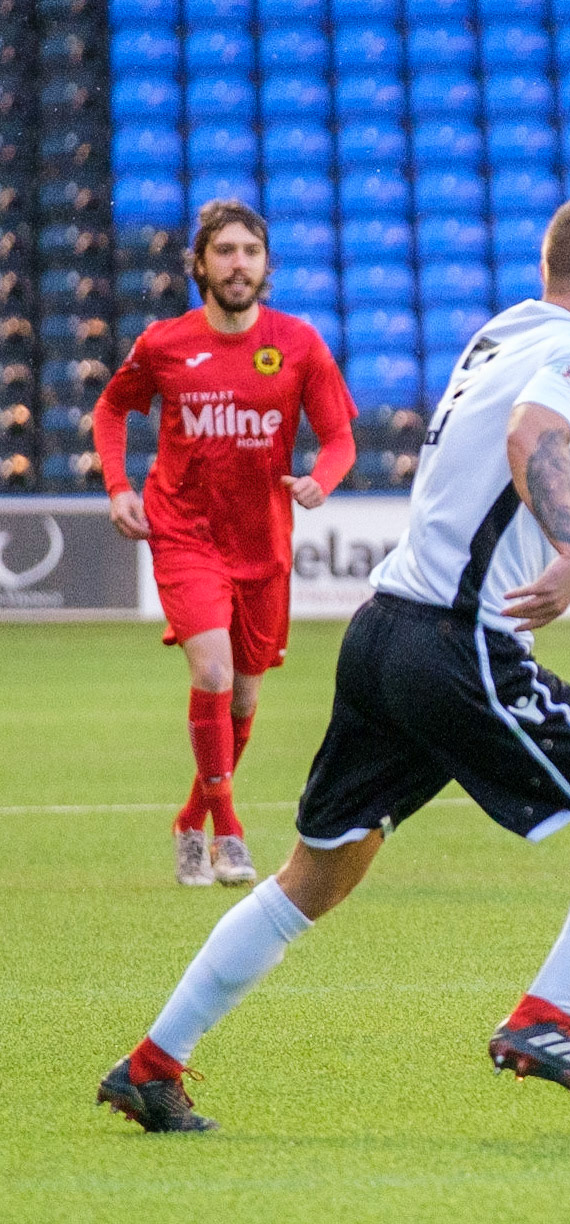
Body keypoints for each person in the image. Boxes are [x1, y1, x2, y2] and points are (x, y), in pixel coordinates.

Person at [96, 192, 570, 1132]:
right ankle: (544, 1019)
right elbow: (536, 437)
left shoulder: (505, 335)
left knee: (314, 878)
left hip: (382, 635)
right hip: (461, 647)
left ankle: (150, 1063)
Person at [95, 199, 358, 888]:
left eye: (250, 251)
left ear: (266, 265)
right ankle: (230, 834)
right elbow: (112, 407)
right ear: (201, 264)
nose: (238, 264)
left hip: (262, 542)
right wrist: (119, 486)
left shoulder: (298, 344)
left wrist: (322, 480)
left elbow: (339, 438)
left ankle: (190, 822)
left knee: (241, 702)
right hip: (184, 531)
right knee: (211, 673)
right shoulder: (164, 343)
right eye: (225, 251)